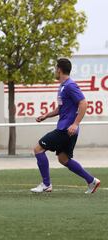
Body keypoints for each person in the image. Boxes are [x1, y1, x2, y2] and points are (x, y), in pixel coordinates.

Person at [31, 58, 100, 194]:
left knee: (38, 149)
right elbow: (60, 109)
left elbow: (83, 103)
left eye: (55, 68)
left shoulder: (70, 85)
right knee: (63, 159)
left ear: (59, 69)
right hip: (68, 129)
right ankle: (92, 181)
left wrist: (75, 124)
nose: (55, 71)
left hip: (66, 129)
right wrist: (46, 115)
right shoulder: (62, 86)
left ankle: (46, 184)